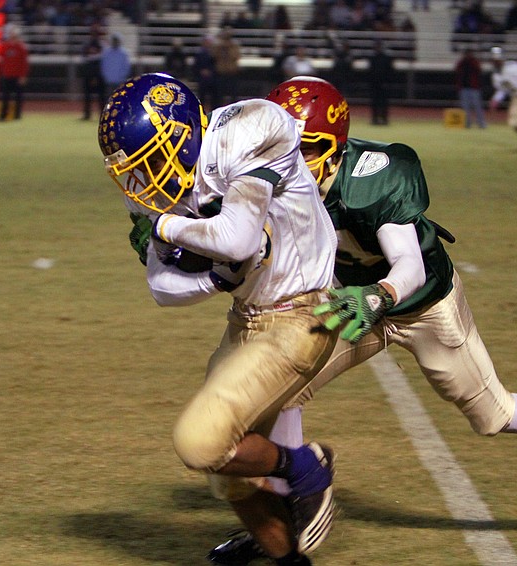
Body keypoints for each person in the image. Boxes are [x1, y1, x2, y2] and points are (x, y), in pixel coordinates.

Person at [209, 75, 517, 563]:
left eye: (303, 147)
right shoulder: (271, 181)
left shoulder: (374, 177)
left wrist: (379, 295)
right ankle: (286, 513)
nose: (289, 161)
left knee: (493, 415)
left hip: (422, 303)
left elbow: (409, 263)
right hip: (349, 301)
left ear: (335, 145)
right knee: (282, 379)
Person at [99, 73, 342, 565]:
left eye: (150, 160)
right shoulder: (158, 189)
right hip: (247, 317)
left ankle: (304, 464)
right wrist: (217, 282)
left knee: (197, 440)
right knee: (225, 476)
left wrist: (166, 226)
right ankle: (289, 560)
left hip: (304, 313)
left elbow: (237, 241)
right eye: (134, 170)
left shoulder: (253, 125)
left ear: (183, 132)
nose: (144, 181)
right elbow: (161, 286)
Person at [0, 24, 29, 121]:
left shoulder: (21, 47)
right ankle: (3, 115)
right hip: (7, 75)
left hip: (17, 76)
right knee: (5, 96)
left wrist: (23, 76)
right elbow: (0, 60)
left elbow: (24, 63)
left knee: (18, 97)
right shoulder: (4, 46)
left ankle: (17, 115)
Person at [455, 47, 486, 128]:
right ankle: (467, 123)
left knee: (477, 106)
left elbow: (478, 69)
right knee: (465, 107)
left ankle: (481, 123)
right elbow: (457, 69)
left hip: (474, 88)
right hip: (464, 88)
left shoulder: (474, 62)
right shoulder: (462, 63)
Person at [79, 26, 105, 121]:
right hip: (88, 73)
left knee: (101, 96)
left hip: (99, 74)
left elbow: (103, 57)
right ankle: (87, 114)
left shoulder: (102, 45)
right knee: (87, 95)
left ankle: (102, 115)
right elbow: (84, 56)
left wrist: (93, 56)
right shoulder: (87, 44)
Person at [213, 27, 241, 105]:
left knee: (233, 93)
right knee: (219, 93)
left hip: (232, 71)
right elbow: (214, 55)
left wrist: (229, 47)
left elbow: (236, 56)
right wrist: (221, 47)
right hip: (221, 71)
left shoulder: (234, 45)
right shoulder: (218, 46)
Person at [367, 39, 392, 125]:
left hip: (384, 83)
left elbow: (390, 71)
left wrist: (388, 82)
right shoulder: (372, 58)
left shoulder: (386, 58)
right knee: (375, 102)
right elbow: (370, 71)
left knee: (384, 102)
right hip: (375, 83)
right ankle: (375, 118)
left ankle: (384, 118)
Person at [193, 34, 217, 111]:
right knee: (202, 96)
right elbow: (196, 66)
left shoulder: (214, 53)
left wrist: (211, 71)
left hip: (212, 78)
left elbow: (216, 65)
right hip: (202, 78)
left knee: (214, 96)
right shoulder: (199, 53)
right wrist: (201, 71)